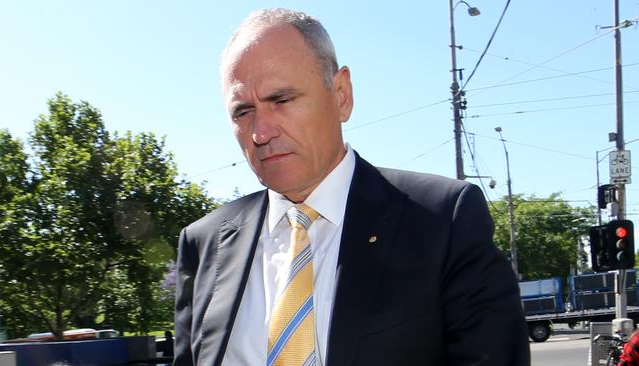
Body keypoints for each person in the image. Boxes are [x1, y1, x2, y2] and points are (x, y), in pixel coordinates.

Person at [174, 8, 530, 366]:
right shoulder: (204, 245)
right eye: (242, 112)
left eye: (281, 100)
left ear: (341, 95)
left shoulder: (442, 220)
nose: (260, 132)